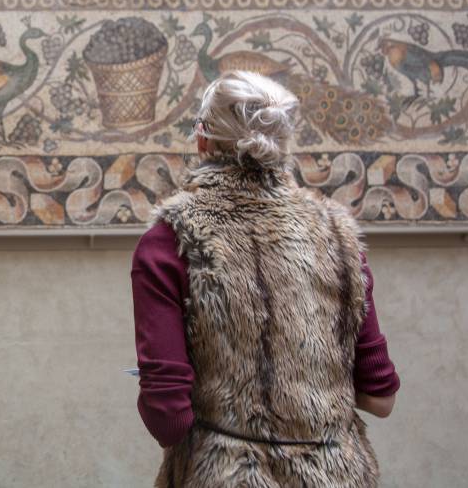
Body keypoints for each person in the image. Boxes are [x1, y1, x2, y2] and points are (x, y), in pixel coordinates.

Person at [131, 71, 400, 487]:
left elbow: (169, 419)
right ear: (283, 141)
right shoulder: (337, 234)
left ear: (202, 138)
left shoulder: (171, 239)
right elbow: (381, 399)